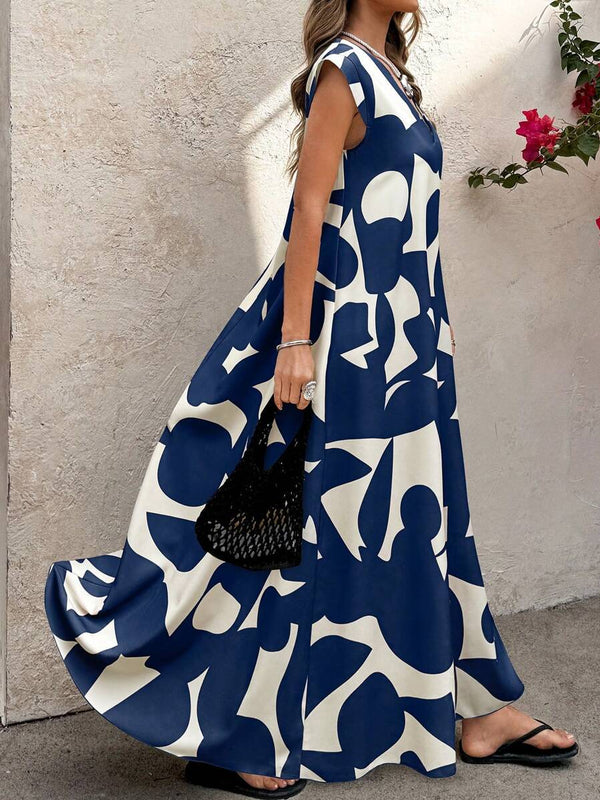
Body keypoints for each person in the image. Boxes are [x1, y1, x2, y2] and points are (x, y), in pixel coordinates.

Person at [44, 1, 579, 797]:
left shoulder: (393, 76)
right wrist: (296, 342)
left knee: (422, 519)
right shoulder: (344, 71)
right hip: (347, 341)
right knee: (300, 528)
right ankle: (239, 734)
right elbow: (308, 209)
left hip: (405, 346)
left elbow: (404, 222)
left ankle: (477, 707)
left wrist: (430, 327)